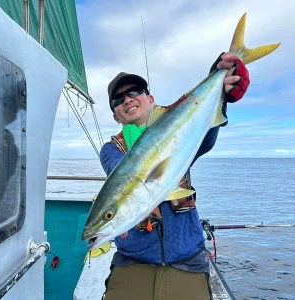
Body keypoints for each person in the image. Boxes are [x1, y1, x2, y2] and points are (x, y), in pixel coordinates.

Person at [99, 52, 250, 300]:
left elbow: (206, 135)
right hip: (133, 261)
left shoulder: (182, 133)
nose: (127, 99)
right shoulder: (112, 150)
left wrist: (221, 93)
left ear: (150, 100)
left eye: (135, 91)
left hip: (186, 258)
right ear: (116, 115)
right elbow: (122, 177)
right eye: (118, 99)